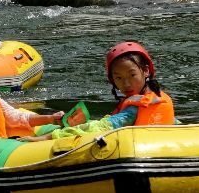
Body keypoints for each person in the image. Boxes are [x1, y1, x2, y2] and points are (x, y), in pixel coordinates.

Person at [20, 41, 175, 141]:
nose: (126, 83)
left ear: (146, 71)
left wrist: (49, 137)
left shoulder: (135, 107)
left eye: (132, 75)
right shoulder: (158, 97)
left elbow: (100, 128)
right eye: (119, 78)